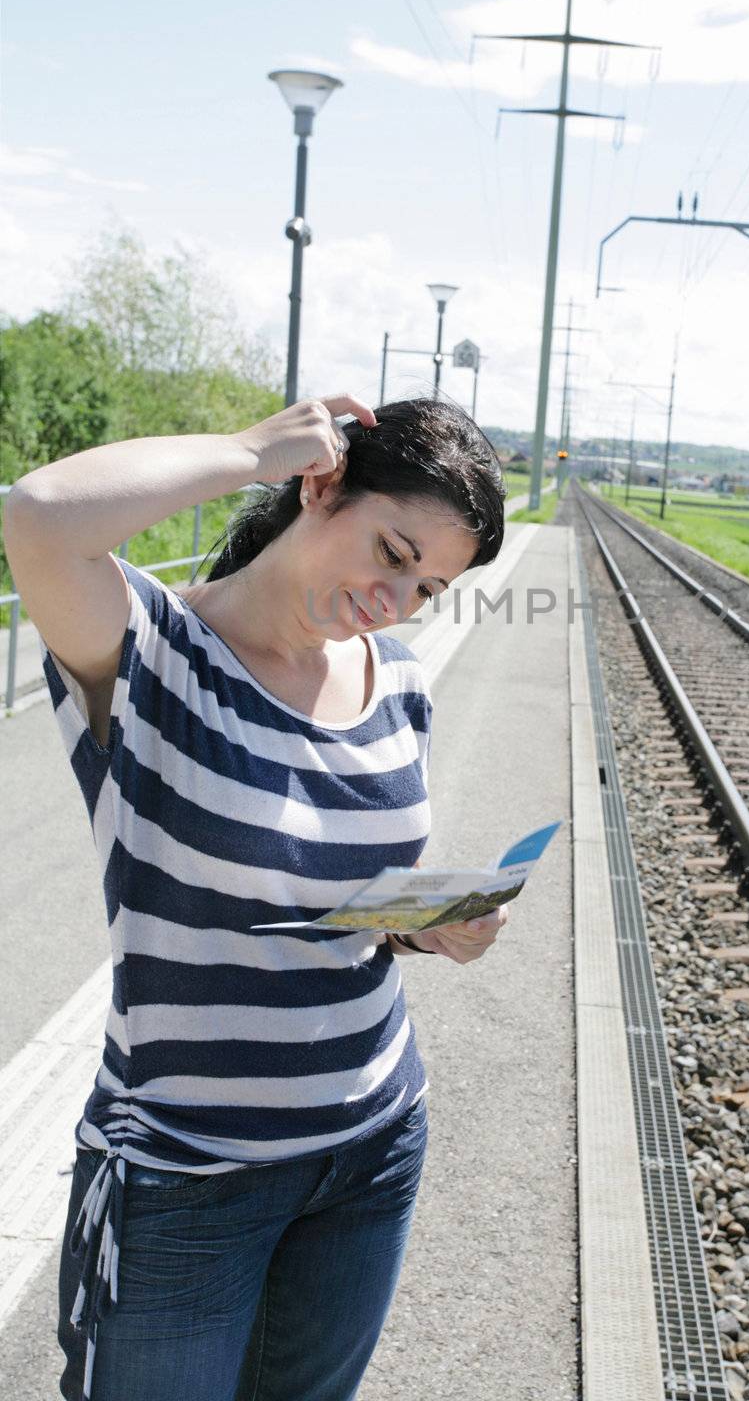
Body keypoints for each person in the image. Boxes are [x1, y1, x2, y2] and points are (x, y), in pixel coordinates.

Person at [3, 392, 508, 1401]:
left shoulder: (396, 680)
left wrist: (423, 924)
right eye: (392, 551)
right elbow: (38, 513)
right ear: (322, 489)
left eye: (428, 586)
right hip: (186, 1179)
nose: (395, 596)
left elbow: (325, 884)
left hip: (370, 1149)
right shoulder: (151, 652)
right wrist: (248, 450)